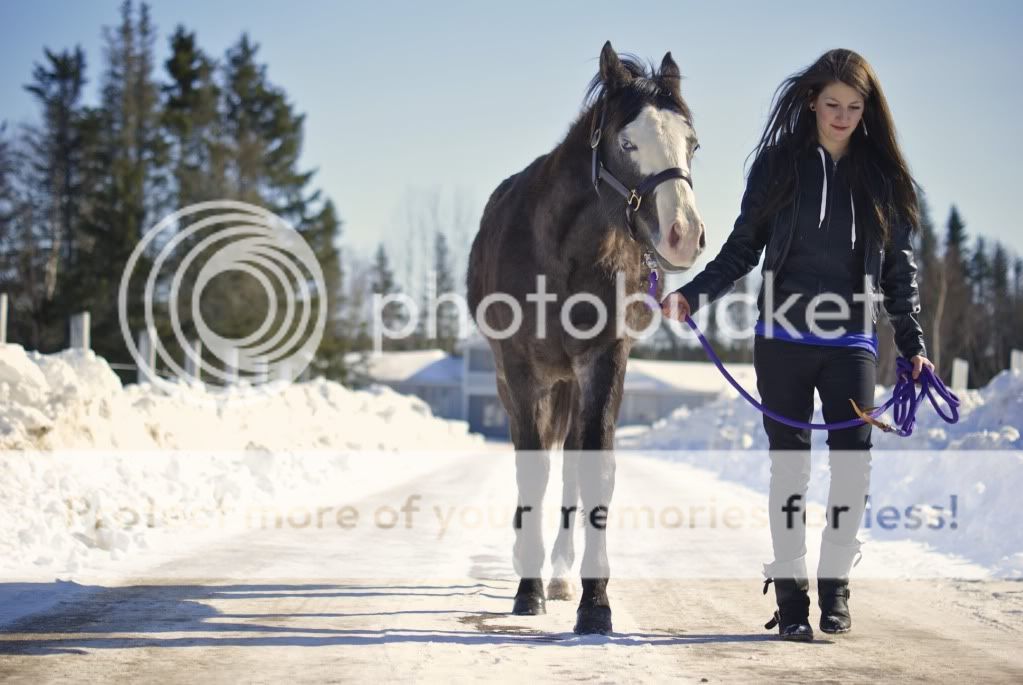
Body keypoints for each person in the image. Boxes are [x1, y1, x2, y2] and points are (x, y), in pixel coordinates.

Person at [660, 48, 935, 641]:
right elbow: (742, 247)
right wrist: (694, 294)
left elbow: (898, 272)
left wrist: (912, 344)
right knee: (789, 470)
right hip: (781, 337)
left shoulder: (883, 178)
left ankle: (835, 588)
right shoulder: (778, 165)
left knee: (852, 468)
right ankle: (790, 600)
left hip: (852, 341)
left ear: (868, 111)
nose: (842, 116)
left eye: (854, 108)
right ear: (812, 101)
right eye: (832, 104)